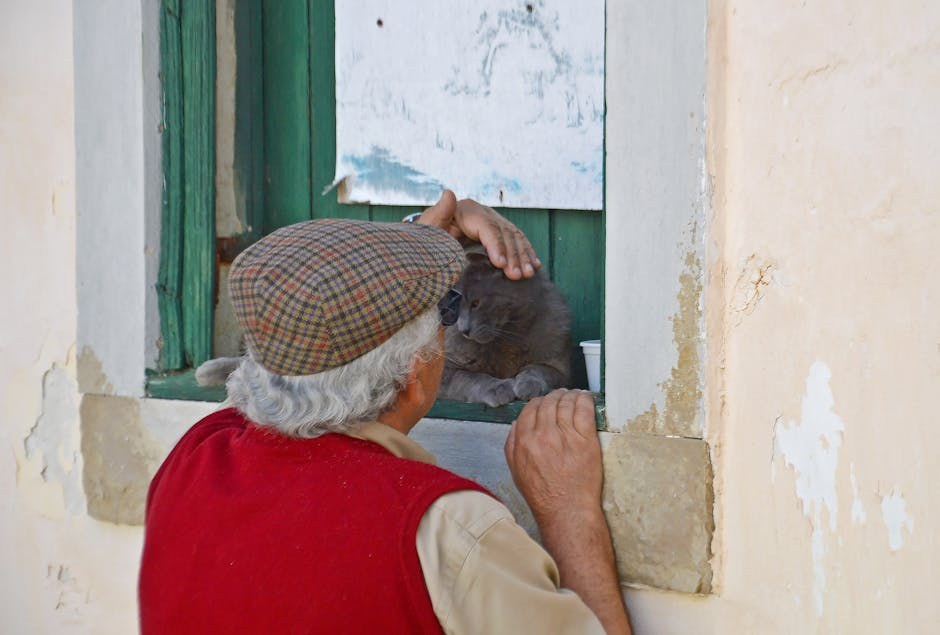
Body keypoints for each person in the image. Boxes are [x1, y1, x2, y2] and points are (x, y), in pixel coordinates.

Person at [138, 193, 631, 634]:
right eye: (445, 310)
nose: (453, 323)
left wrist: (420, 237)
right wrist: (569, 513)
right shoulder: (450, 530)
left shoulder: (196, 454)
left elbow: (300, 325)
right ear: (413, 375)